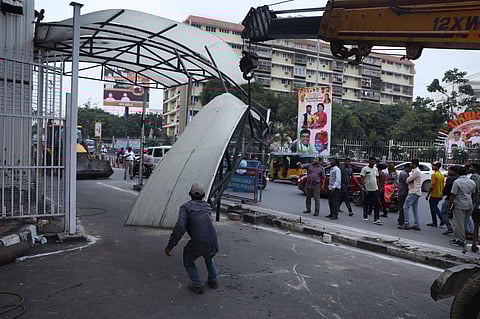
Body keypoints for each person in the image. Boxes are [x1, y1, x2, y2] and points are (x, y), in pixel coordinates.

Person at [165, 184, 219, 294]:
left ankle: (197, 284)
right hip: (213, 240)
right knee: (208, 256)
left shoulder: (186, 207)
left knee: (188, 259)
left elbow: (180, 226)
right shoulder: (207, 206)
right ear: (203, 195)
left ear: (190, 194)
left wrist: (170, 245)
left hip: (199, 241)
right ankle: (213, 280)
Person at [449, 166, 476, 248]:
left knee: (458, 223)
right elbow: (473, 193)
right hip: (469, 203)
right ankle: (459, 238)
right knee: (464, 223)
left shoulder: (457, 182)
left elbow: (453, 195)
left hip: (460, 204)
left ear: (458, 173)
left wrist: (450, 206)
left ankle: (460, 240)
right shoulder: (472, 182)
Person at [399, 159, 422, 231]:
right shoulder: (415, 171)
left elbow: (407, 180)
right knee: (414, 209)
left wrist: (409, 180)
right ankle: (416, 224)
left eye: (411, 163)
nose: (410, 165)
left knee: (405, 207)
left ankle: (406, 223)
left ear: (414, 164)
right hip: (416, 191)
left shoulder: (416, 172)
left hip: (413, 191)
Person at [360, 157, 382, 225]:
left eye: (373, 162)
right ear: (369, 161)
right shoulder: (365, 169)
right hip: (367, 189)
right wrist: (364, 188)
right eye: (371, 161)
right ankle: (365, 216)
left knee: (376, 203)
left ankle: (376, 219)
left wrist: (379, 187)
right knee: (366, 203)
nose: (372, 163)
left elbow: (377, 179)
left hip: (375, 189)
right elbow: (362, 179)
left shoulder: (375, 169)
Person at [440, 165, 458, 235]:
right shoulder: (458, 178)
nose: (448, 171)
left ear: (453, 171)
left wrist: (443, 194)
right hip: (457, 198)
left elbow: (447, 189)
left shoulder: (450, 178)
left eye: (449, 170)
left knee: (443, 212)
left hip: (449, 198)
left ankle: (449, 227)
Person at [426, 162, 444, 227]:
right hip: (439, 193)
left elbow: (432, 186)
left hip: (434, 194)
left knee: (433, 208)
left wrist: (428, 195)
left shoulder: (434, 175)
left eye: (433, 165)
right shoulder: (441, 175)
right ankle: (441, 219)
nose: (432, 166)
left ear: (437, 167)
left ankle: (435, 222)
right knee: (435, 207)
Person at [470, 164, 480, 253]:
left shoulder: (474, 176)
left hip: (475, 199)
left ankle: (474, 243)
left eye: (471, 167)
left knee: (475, 222)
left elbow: (474, 188)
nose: (470, 168)